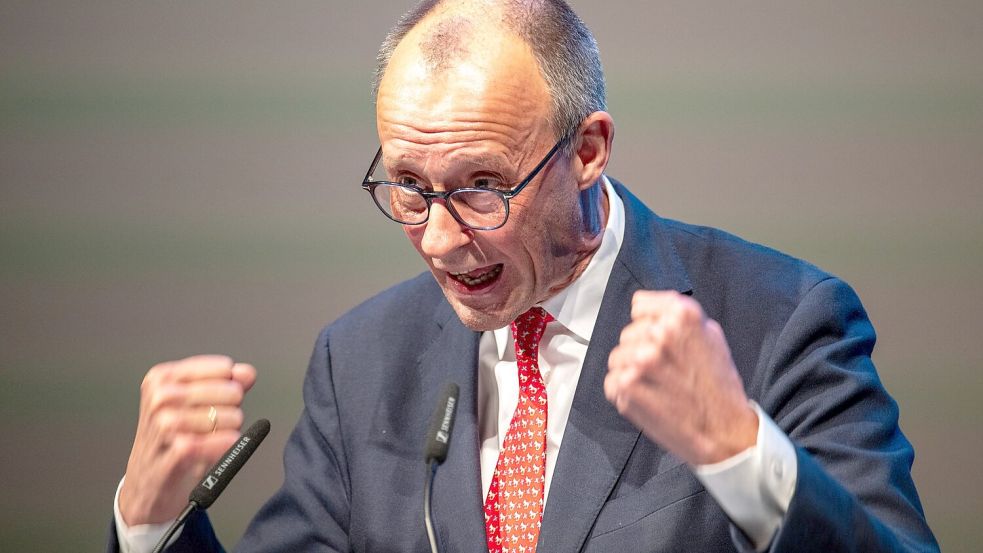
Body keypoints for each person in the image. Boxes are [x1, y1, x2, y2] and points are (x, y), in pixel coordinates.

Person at [108, 1, 939, 552]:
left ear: (586, 151)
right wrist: (149, 526)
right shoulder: (360, 360)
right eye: (406, 186)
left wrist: (739, 453)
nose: (437, 238)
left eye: (480, 186)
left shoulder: (779, 322)